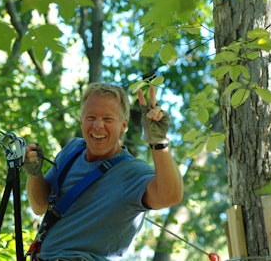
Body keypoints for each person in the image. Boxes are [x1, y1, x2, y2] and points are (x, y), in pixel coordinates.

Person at [23, 82, 183, 261]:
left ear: (123, 125)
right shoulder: (72, 151)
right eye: (91, 117)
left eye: (108, 119)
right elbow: (40, 206)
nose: (98, 126)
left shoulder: (132, 172)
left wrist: (159, 142)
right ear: (81, 120)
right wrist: (34, 173)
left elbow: (171, 196)